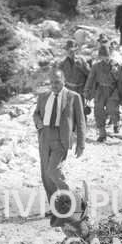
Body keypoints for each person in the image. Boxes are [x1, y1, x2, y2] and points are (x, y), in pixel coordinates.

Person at [33, 68, 86, 208]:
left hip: (61, 138)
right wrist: (39, 124)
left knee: (53, 171)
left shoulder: (73, 96)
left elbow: (81, 121)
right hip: (45, 136)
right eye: (52, 82)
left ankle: (71, 199)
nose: (54, 85)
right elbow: (36, 114)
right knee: (46, 174)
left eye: (57, 82)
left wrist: (81, 144)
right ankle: (55, 206)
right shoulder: (43, 96)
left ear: (64, 81)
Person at [84, 39, 118, 143]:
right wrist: (87, 90)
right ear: (100, 56)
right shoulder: (96, 66)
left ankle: (116, 123)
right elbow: (91, 78)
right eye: (103, 56)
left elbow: (120, 79)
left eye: (107, 56)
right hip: (100, 90)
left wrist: (115, 72)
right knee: (98, 111)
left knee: (112, 109)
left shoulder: (115, 64)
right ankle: (102, 133)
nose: (106, 58)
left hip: (112, 90)